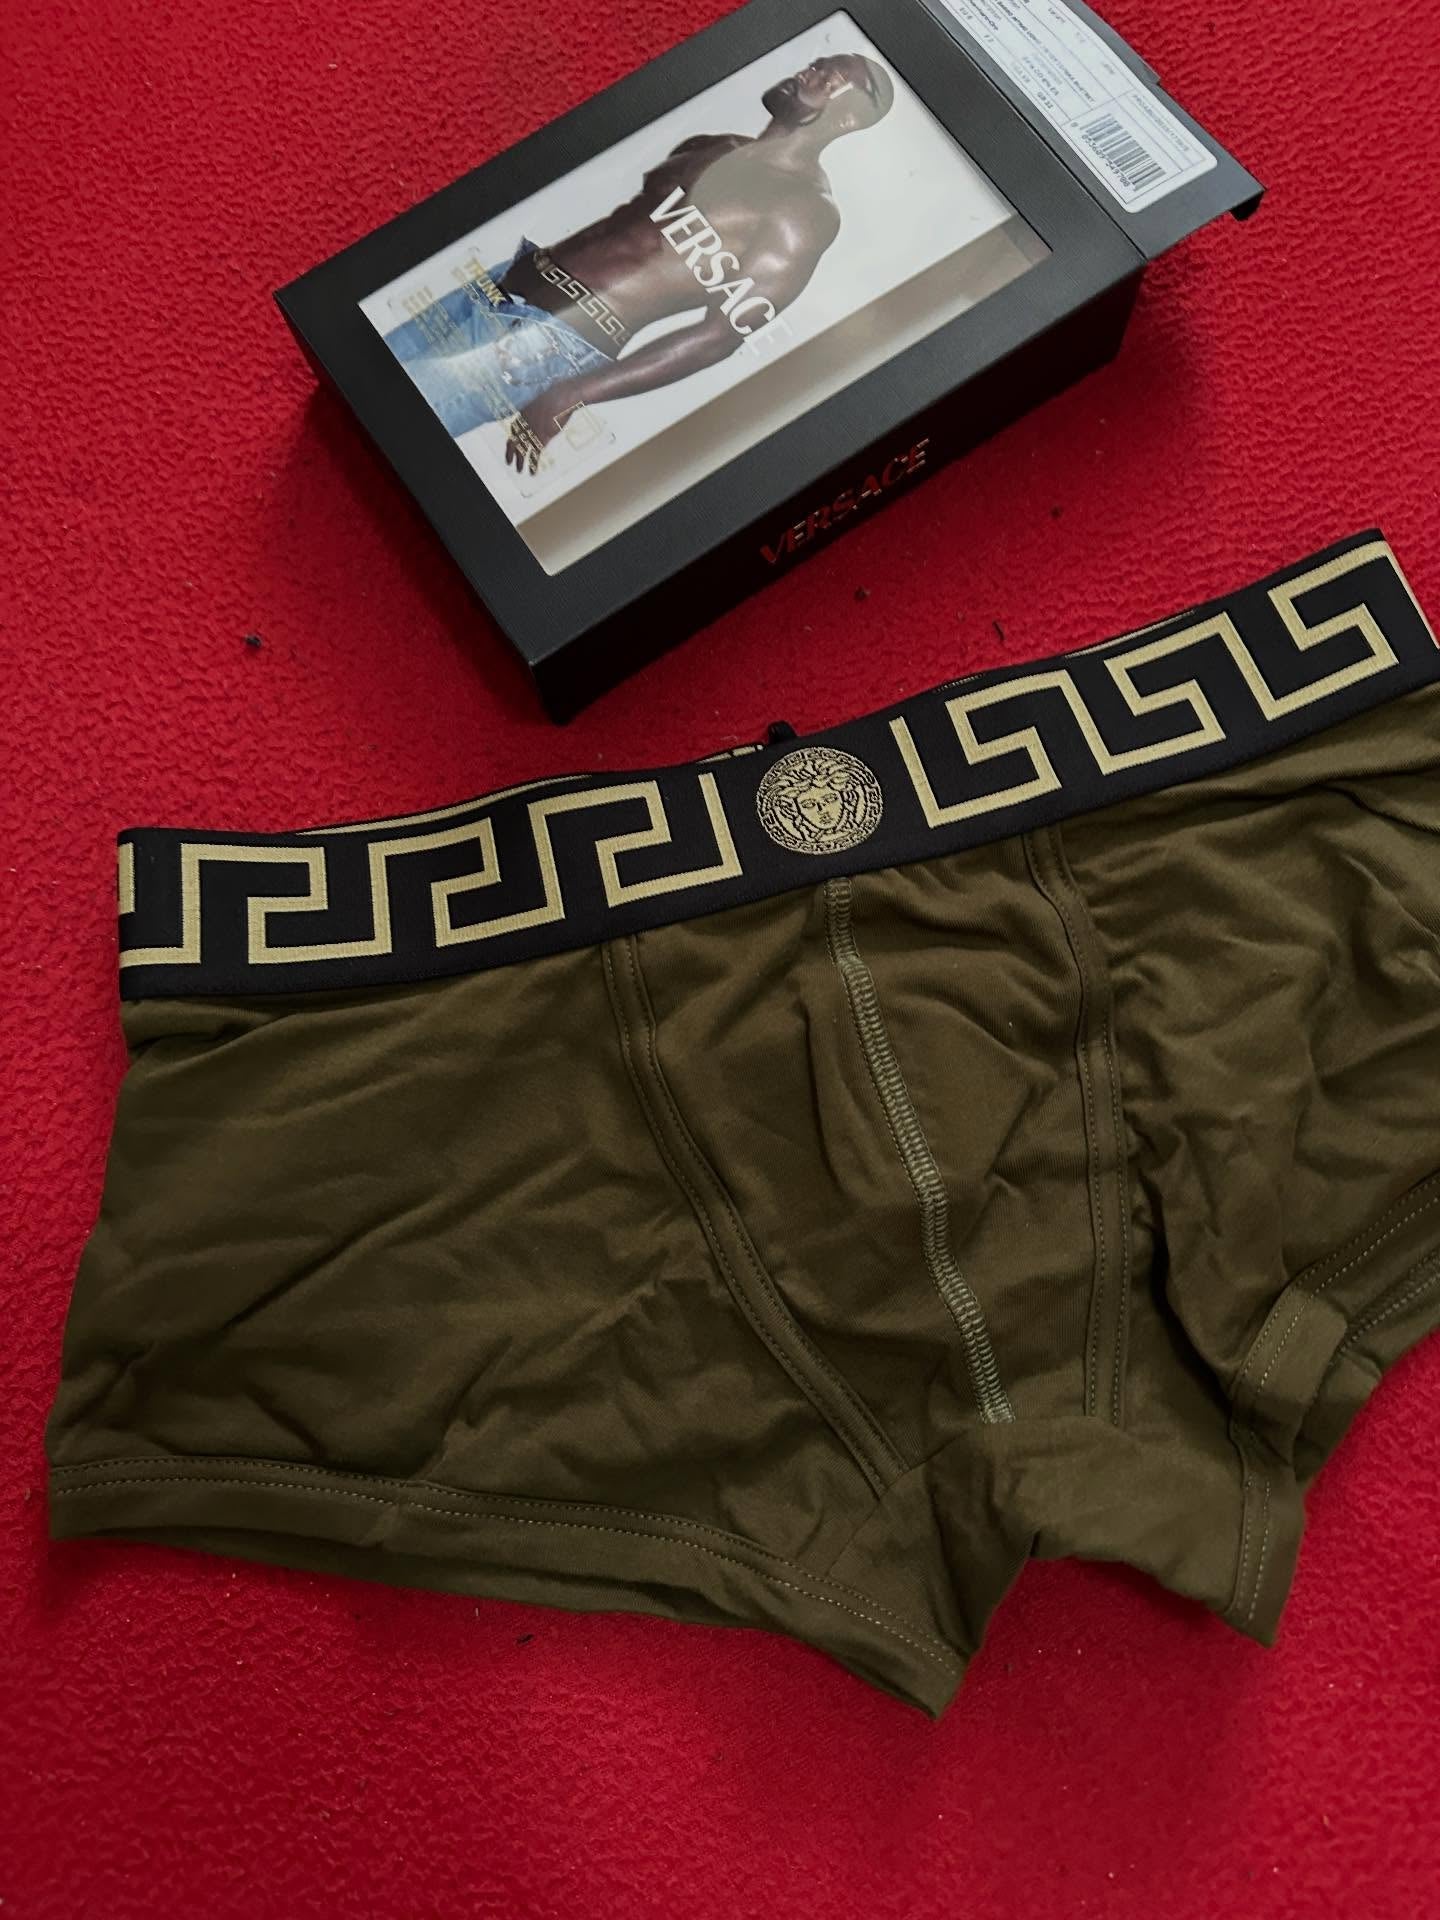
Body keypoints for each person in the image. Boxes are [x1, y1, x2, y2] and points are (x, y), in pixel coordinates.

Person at [382, 53, 896, 471]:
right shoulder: (712, 146)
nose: (811, 72)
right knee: (368, 375)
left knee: (386, 425)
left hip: (551, 339)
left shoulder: (804, 211)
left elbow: (720, 335)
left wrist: (574, 392)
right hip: (506, 280)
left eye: (831, 78)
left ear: (850, 117)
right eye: (817, 63)